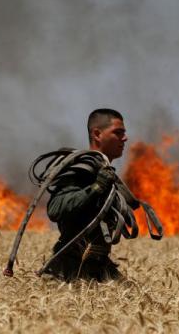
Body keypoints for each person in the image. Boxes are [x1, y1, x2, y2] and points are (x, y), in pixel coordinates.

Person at [43, 108, 130, 282]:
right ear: (97, 134)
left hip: (100, 266)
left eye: (124, 133)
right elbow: (55, 208)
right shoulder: (81, 169)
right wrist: (96, 188)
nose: (125, 138)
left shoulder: (105, 171)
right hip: (69, 268)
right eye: (117, 133)